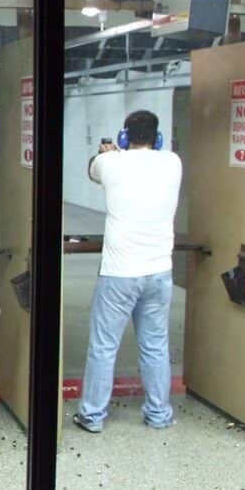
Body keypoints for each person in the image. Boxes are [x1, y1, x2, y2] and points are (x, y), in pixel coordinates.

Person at [74, 110, 182, 434]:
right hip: (160, 271)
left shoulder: (110, 163)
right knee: (156, 346)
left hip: (120, 273)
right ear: (157, 137)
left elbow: (92, 169)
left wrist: (108, 153)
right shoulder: (173, 162)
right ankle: (159, 414)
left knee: (104, 347)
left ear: (124, 137)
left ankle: (93, 415)